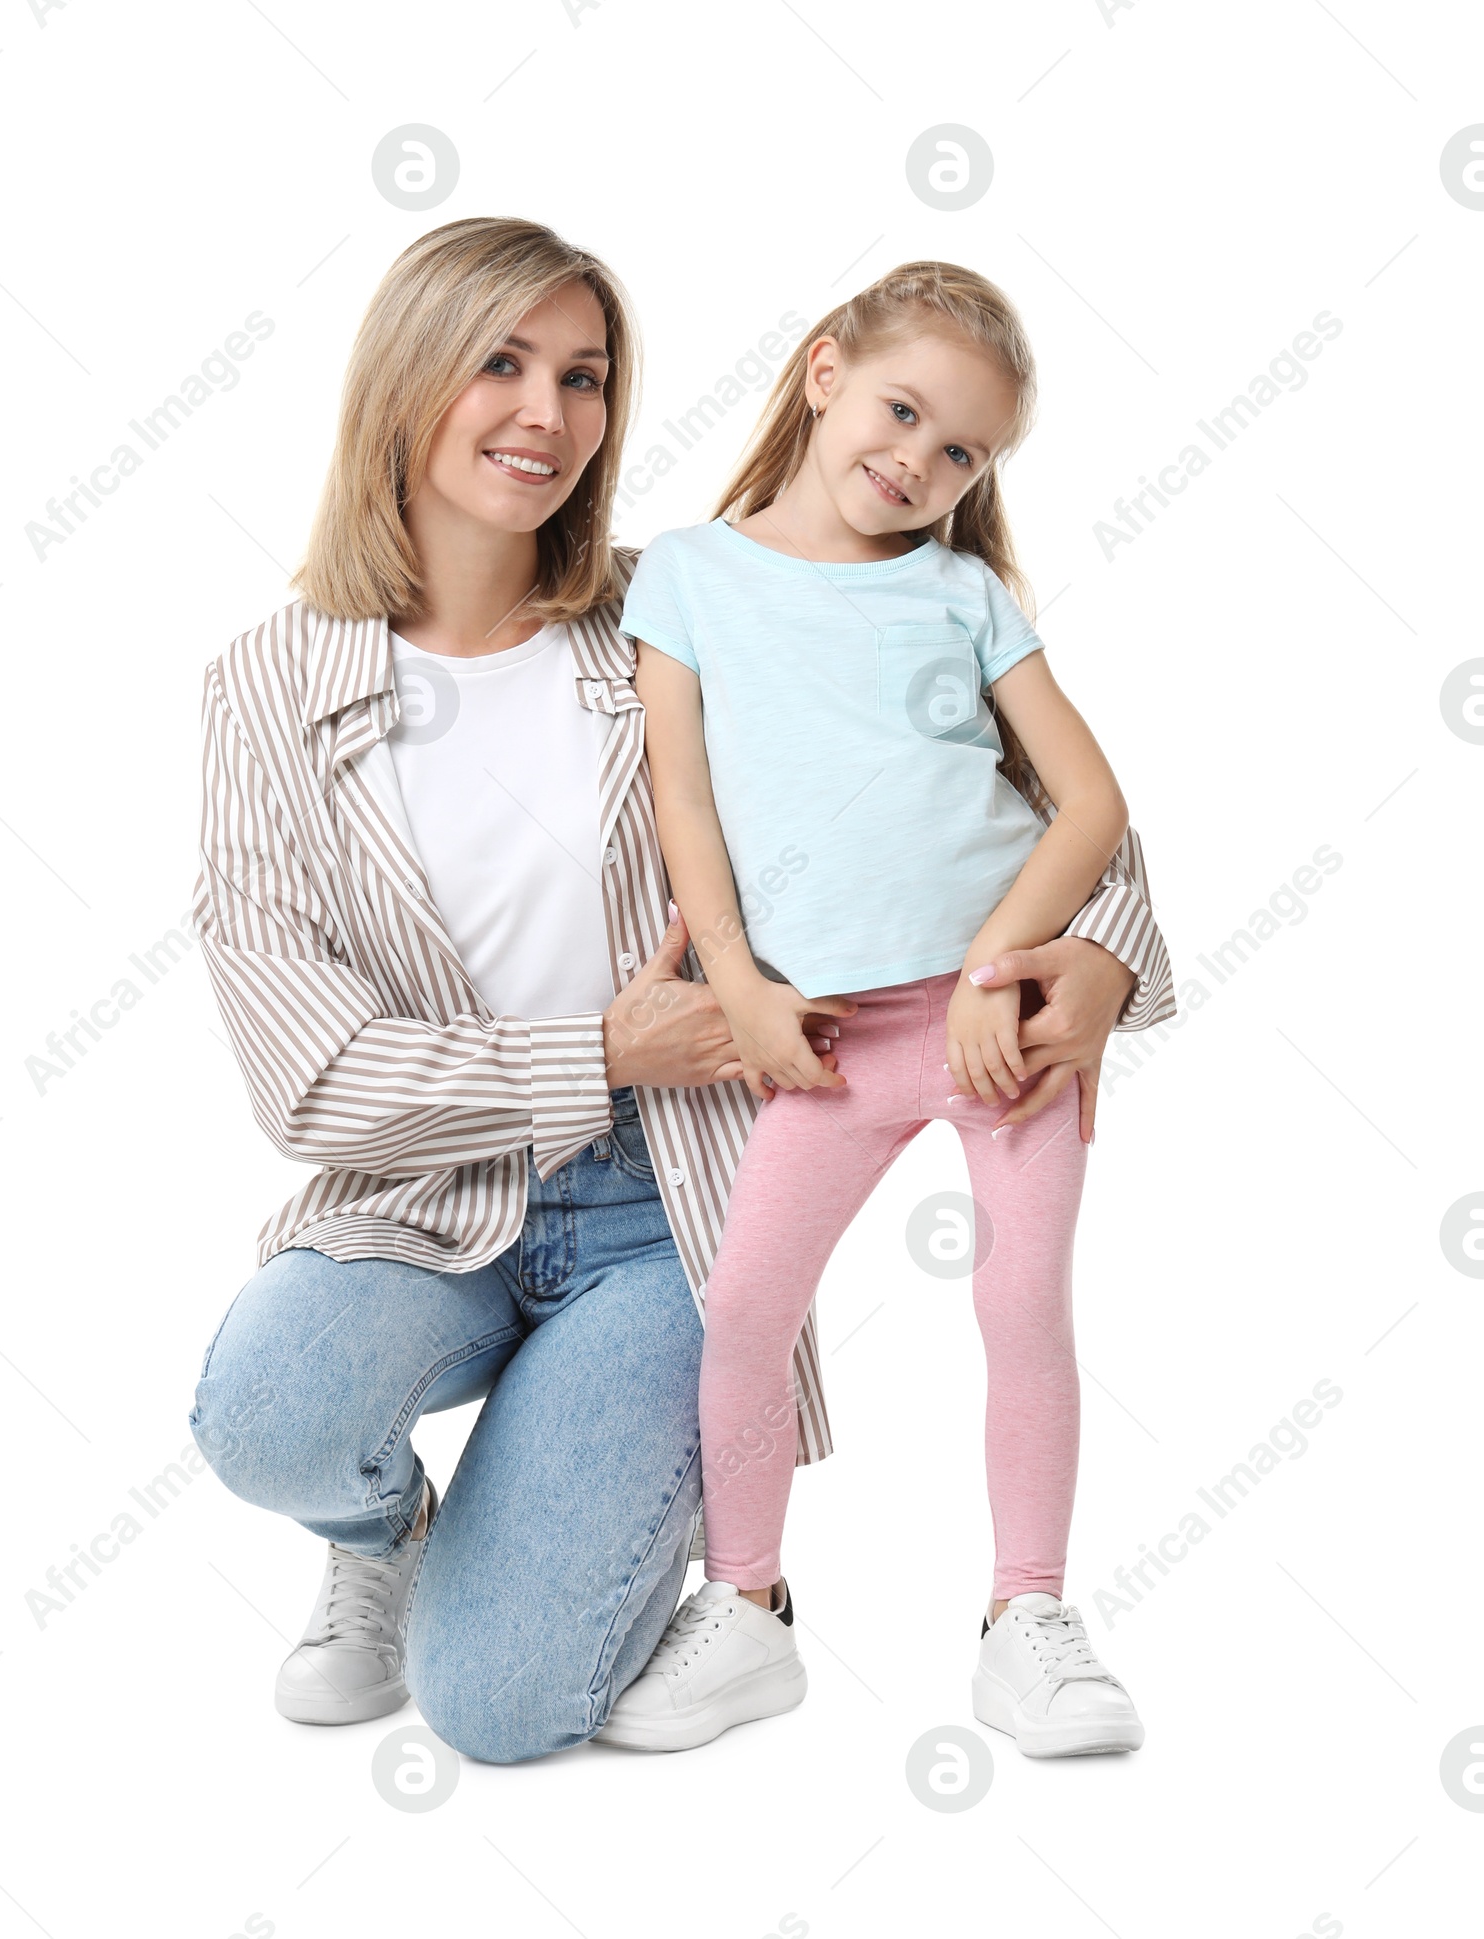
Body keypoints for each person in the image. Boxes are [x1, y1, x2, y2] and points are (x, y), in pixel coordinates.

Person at [187, 219, 1173, 1765]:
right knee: (268, 1417)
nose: (546, 413)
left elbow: (996, 807)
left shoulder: (686, 599)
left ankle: (619, 1467)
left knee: (503, 1711)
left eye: (583, 376)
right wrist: (602, 1048)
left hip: (672, 1199)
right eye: (499, 364)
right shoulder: (265, 686)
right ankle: (383, 1532)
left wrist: (1102, 960)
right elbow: (308, 1079)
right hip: (425, 1204)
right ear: (401, 380)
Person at [601, 261, 1167, 1759]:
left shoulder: (965, 593)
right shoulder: (691, 577)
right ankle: (747, 1609)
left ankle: (1027, 1616)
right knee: (744, 1311)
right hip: (828, 1040)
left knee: (1020, 1302)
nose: (918, 461)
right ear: (822, 372)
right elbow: (684, 806)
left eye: (963, 451)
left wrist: (1000, 971)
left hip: (998, 1030)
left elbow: (1090, 804)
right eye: (903, 411)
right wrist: (737, 986)